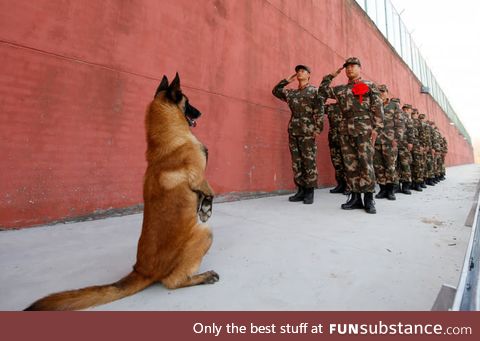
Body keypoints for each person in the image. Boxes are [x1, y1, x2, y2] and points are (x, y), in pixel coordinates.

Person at [319, 57, 384, 214]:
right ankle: (355, 198)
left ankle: (369, 199)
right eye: (347, 67)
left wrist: (377, 128)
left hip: (365, 129)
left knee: (366, 163)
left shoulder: (368, 86)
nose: (350, 69)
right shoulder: (340, 89)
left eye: (353, 66)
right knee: (350, 164)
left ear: (360, 68)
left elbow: (378, 107)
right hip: (345, 129)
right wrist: (331, 75)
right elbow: (322, 91)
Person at [272, 65, 324, 204]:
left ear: (308, 75)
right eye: (298, 71)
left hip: (308, 130)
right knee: (297, 161)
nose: (299, 73)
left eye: (302, 71)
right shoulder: (292, 93)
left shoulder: (314, 91)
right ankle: (300, 190)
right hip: (293, 129)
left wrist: (318, 129)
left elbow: (319, 111)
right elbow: (276, 91)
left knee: (309, 161)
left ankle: (309, 191)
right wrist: (286, 81)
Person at [374, 86, 401, 201]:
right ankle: (382, 189)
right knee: (378, 166)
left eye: (383, 92)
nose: (381, 94)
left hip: (390, 141)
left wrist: (397, 138)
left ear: (387, 93)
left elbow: (400, 123)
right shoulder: (374, 105)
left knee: (390, 166)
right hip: (376, 140)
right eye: (378, 92)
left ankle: (390, 191)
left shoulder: (394, 105)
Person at [326, 102, 348, 194]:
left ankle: (349, 186)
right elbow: (318, 106)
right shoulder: (331, 107)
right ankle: (341, 184)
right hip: (333, 139)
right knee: (337, 163)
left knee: (347, 163)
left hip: (346, 140)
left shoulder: (348, 104)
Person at [396, 103, 416, 194]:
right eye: (410, 109)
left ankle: (405, 186)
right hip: (398, 144)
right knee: (400, 165)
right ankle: (398, 186)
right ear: (406, 109)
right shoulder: (399, 115)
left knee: (404, 165)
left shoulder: (407, 118)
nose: (410, 111)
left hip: (403, 145)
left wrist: (410, 142)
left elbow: (410, 131)